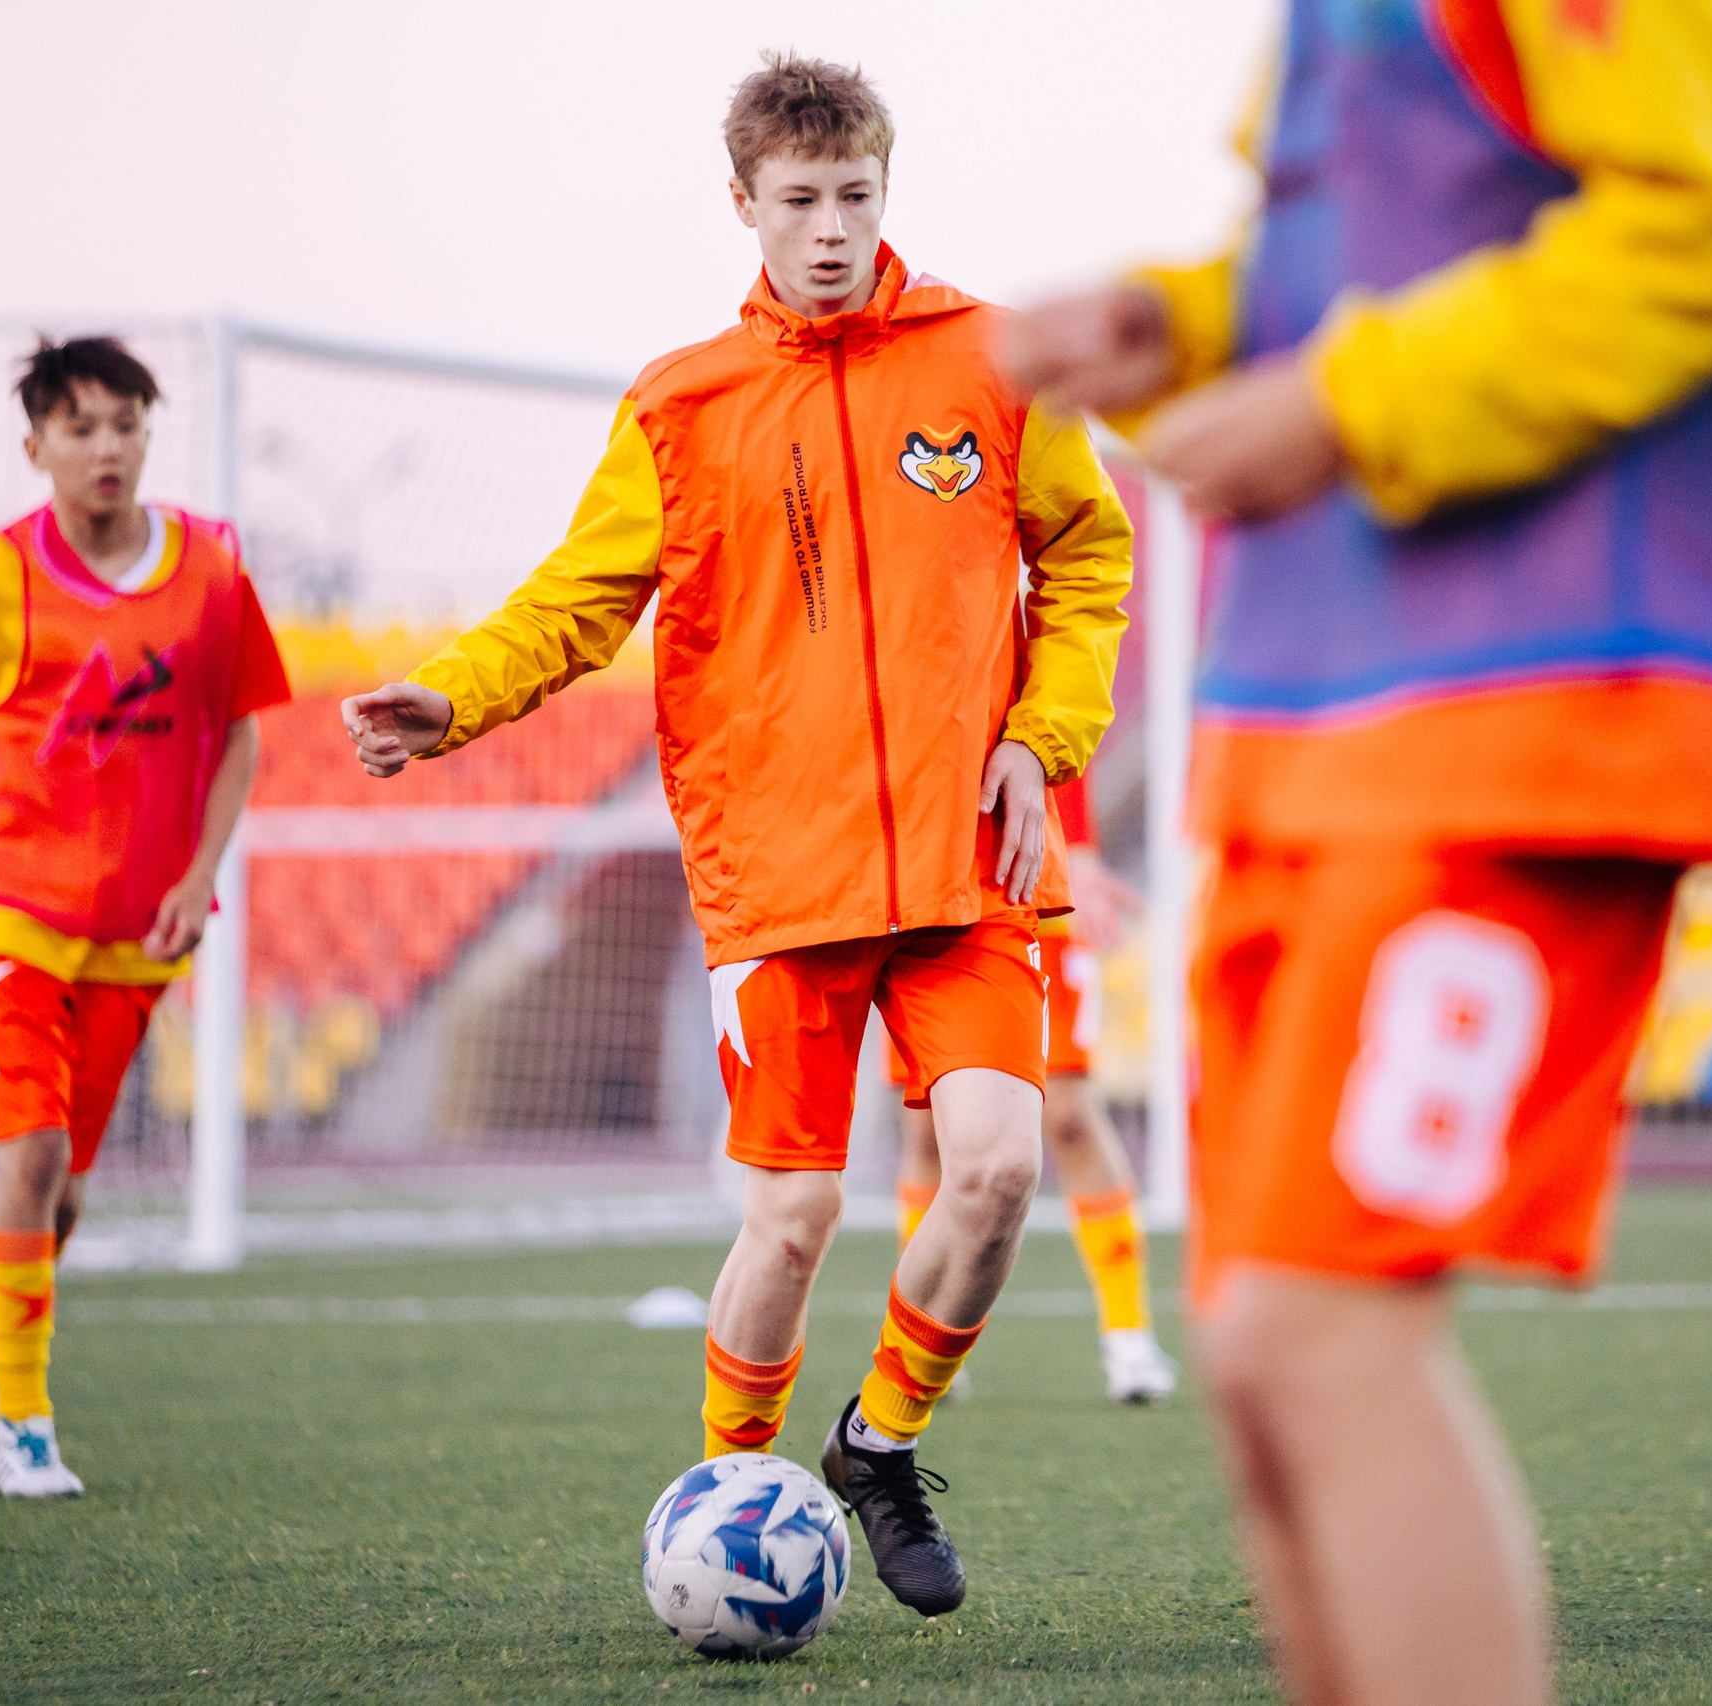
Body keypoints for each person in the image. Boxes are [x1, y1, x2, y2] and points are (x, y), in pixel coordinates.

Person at [1000, 1, 1712, 1700]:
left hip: (1525, 711)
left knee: (1318, 1336)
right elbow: (1354, 248)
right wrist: (1180, 320)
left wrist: (1348, 403)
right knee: (1262, 1358)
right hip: (1319, 727)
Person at [340, 55, 1130, 1616]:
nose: (830, 230)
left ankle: (880, 1444)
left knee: (995, 1173)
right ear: (745, 206)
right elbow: (580, 599)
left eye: (855, 198)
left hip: (966, 864)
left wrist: (1044, 742)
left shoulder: (988, 362)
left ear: (885, 192)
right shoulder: (682, 403)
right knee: (793, 1218)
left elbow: (1088, 563)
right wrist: (454, 697)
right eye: (799, 202)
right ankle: (725, 1497)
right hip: (777, 881)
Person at [0, 336, 292, 1499]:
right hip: (11, 902)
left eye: (126, 422)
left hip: (138, 923)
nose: (107, 445)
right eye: (81, 426)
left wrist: (195, 874)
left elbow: (241, 731)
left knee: (62, 1186)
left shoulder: (213, 572)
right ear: (36, 447)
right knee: (31, 1147)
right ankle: (23, 1426)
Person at [888, 773, 1176, 1404]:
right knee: (927, 1125)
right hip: (926, 884)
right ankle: (921, 1338)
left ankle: (1128, 1335)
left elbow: (1055, 720)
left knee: (1069, 1113)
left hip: (1036, 881)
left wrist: (1085, 856)